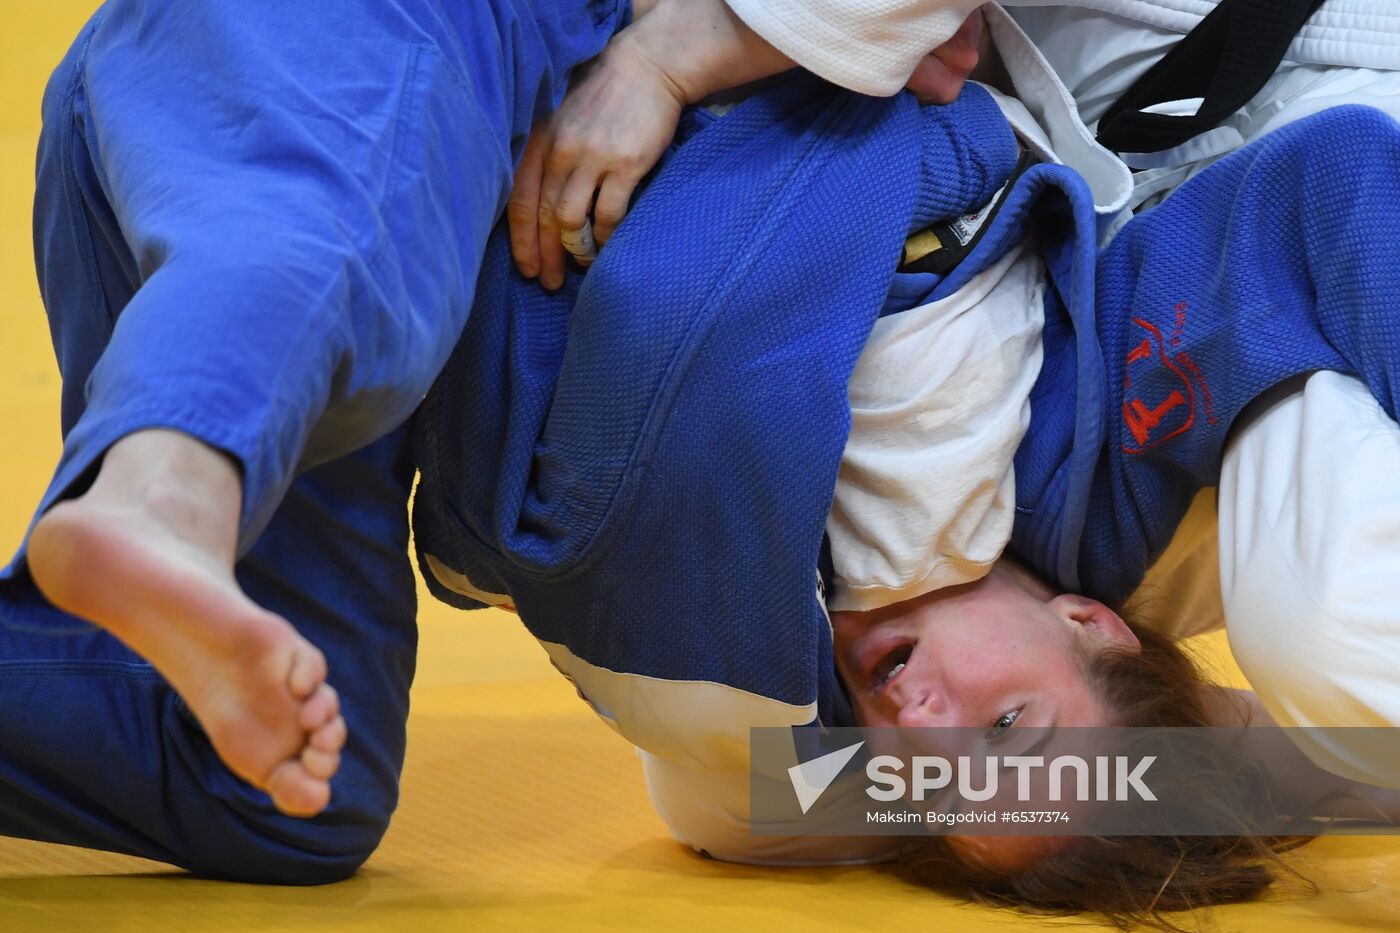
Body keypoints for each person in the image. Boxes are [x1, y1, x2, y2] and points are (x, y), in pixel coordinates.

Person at [0, 0, 632, 881]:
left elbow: (814, 794)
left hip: (259, 138)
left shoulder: (820, 758)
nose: (903, 699)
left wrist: (880, 800)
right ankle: (165, 496)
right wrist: (676, 59)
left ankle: (177, 487)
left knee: (289, 796)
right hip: (340, 52)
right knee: (312, 238)